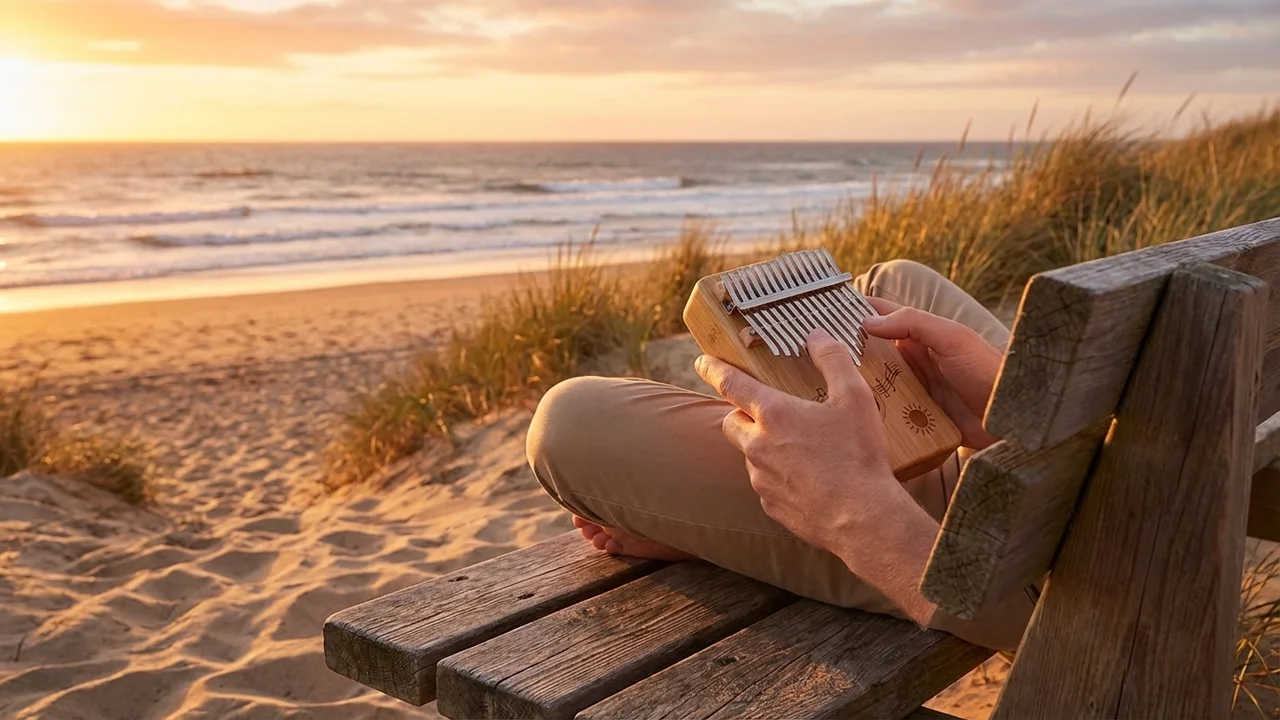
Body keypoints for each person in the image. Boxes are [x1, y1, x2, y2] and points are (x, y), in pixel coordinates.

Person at [525, 259, 1034, 652]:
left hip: (1006, 566)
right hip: (1059, 480)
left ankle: (732, 530)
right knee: (893, 281)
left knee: (571, 422)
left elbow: (1086, 616)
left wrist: (851, 507)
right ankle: (842, 469)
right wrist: (1006, 419)